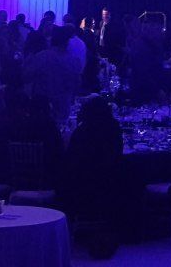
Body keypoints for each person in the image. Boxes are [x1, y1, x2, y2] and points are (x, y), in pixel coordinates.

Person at [59, 96, 127, 258]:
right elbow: (118, 155)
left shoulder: (82, 130)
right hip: (107, 186)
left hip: (80, 188)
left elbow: (71, 159)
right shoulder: (113, 128)